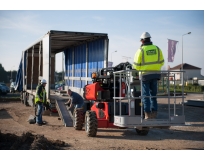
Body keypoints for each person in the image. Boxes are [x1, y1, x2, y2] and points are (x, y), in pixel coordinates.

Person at [132, 32, 164, 119]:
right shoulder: (157, 49)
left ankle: (147, 114)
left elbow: (135, 65)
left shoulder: (141, 50)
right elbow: (162, 62)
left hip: (145, 75)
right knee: (153, 95)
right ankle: (154, 113)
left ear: (142, 41)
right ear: (150, 39)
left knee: (145, 95)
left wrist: (142, 68)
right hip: (156, 75)